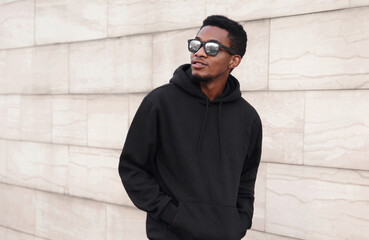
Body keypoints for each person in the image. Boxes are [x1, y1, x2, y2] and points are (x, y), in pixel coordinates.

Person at [118, 15, 262, 240]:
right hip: (170, 235)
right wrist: (172, 214)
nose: (200, 52)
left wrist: (240, 221)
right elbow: (133, 169)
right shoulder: (160, 103)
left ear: (233, 61)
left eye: (212, 48)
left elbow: (246, 179)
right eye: (196, 45)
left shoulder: (248, 118)